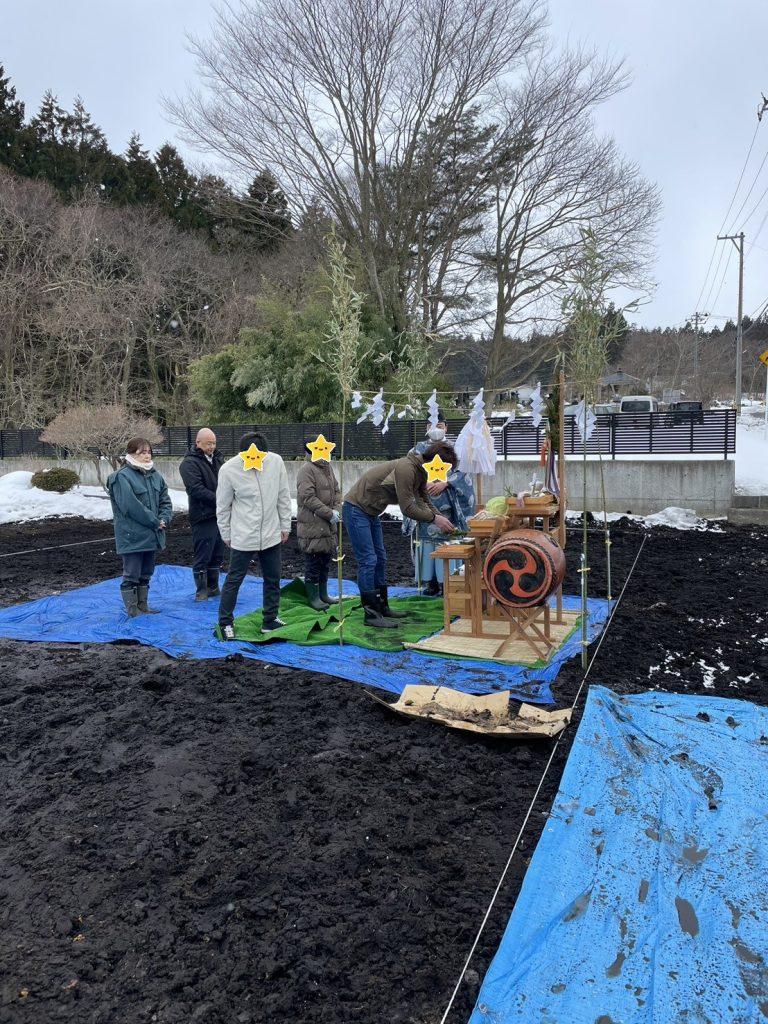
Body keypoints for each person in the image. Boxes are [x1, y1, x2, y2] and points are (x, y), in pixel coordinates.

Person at [342, 443, 456, 628]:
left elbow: (423, 499)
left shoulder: (420, 471)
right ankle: (371, 614)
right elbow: (408, 508)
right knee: (368, 560)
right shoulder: (406, 468)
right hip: (356, 509)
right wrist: (435, 519)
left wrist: (441, 518)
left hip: (371, 512)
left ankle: (382, 606)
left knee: (380, 558)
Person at [216, 431, 292, 640]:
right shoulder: (229, 470)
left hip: (271, 533)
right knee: (234, 579)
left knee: (273, 578)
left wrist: (285, 525)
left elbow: (283, 496)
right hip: (243, 535)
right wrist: (227, 533)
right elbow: (223, 506)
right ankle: (225, 622)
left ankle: (270, 619)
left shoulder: (275, 463)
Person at [403, 420, 475, 596]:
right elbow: (408, 471)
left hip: (448, 505)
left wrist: (446, 483)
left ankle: (448, 582)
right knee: (426, 544)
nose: (436, 429)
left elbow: (464, 473)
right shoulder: (417, 450)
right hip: (425, 502)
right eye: (431, 425)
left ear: (446, 428)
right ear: (426, 428)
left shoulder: (455, 448)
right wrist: (422, 482)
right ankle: (430, 583)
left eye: (440, 425)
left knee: (447, 542)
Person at [107, 437, 173, 618]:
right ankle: (132, 608)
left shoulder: (155, 476)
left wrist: (164, 518)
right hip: (133, 536)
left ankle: (143, 605)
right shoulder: (121, 477)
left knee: (146, 573)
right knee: (131, 574)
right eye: (141, 452)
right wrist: (154, 521)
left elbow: (165, 501)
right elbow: (130, 506)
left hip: (152, 535)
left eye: (148, 451)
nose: (146, 455)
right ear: (131, 453)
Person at [179, 427, 225, 601]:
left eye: (213, 443)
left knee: (217, 552)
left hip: (220, 515)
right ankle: (201, 590)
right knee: (203, 553)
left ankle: (214, 586)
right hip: (203, 515)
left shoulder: (219, 460)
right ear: (198, 443)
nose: (212, 446)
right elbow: (195, 489)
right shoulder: (189, 464)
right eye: (208, 443)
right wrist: (220, 499)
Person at [296, 444, 342, 611]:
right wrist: (328, 513)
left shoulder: (327, 467)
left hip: (327, 526)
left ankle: (323, 594)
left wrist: (337, 509)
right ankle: (313, 597)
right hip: (313, 524)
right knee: (313, 562)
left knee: (325, 560)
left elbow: (336, 491)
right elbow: (307, 497)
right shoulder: (306, 470)